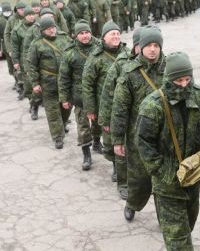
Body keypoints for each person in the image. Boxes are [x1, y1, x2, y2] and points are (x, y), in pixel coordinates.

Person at [135, 51, 200, 250]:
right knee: (178, 241)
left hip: (194, 176)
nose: (183, 84)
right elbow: (143, 143)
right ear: (168, 78)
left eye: (187, 79)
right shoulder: (152, 106)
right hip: (167, 183)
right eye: (178, 80)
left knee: (188, 224)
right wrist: (162, 172)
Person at [111, 27, 165, 211]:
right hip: (138, 136)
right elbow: (120, 109)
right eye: (148, 45)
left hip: (165, 135)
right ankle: (132, 204)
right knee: (138, 177)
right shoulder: (129, 72)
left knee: (164, 178)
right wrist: (118, 140)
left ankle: (164, 212)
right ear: (140, 47)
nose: (152, 49)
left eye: (156, 45)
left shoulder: (170, 68)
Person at [98, 27, 142, 199]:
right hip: (125, 116)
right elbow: (108, 93)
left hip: (146, 118)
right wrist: (106, 120)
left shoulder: (159, 63)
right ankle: (123, 184)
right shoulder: (122, 63)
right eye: (141, 45)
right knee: (122, 152)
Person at [82, 21, 129, 170]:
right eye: (112, 34)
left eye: (117, 33)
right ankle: (116, 167)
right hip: (105, 105)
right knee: (110, 138)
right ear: (103, 38)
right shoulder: (96, 57)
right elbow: (87, 84)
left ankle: (125, 167)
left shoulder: (128, 53)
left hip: (126, 103)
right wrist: (90, 109)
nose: (116, 36)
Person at [59, 21, 100, 170]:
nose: (85, 36)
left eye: (87, 32)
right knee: (83, 126)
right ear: (76, 35)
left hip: (98, 95)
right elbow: (63, 77)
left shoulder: (99, 47)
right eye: (81, 33)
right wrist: (64, 98)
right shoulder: (70, 52)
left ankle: (97, 142)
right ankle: (86, 154)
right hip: (79, 97)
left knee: (98, 123)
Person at [27, 17, 72, 149]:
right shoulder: (37, 44)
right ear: (42, 31)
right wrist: (35, 83)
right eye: (48, 29)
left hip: (65, 80)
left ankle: (62, 125)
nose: (52, 30)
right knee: (52, 110)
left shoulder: (64, 38)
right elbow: (31, 64)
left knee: (67, 106)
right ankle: (58, 136)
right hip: (48, 82)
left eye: (53, 27)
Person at [11, 7, 36, 104]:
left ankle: (39, 101)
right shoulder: (17, 29)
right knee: (29, 83)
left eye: (33, 14)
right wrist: (15, 61)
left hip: (38, 57)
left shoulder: (38, 26)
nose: (31, 17)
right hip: (24, 59)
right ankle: (32, 104)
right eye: (29, 15)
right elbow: (15, 47)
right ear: (24, 16)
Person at [4, 1, 27, 98]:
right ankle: (20, 87)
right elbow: (7, 34)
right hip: (15, 47)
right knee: (17, 69)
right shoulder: (11, 20)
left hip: (26, 48)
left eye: (24, 9)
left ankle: (26, 89)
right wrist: (9, 49)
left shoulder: (29, 17)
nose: (23, 11)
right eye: (21, 9)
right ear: (17, 10)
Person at [0, 2, 16, 89]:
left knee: (18, 63)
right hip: (6, 45)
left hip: (16, 43)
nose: (7, 12)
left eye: (9, 10)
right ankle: (16, 80)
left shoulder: (15, 18)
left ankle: (21, 82)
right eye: (5, 11)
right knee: (10, 64)